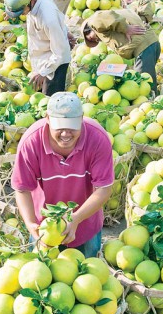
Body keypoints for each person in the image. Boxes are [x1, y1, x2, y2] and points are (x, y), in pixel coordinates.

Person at [11, 92, 114, 258]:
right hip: (45, 226)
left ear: (81, 119)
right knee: (42, 275)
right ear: (47, 118)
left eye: (72, 126)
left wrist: (76, 219)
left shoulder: (98, 139)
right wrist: (31, 224)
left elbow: (104, 188)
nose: (66, 134)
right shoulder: (31, 142)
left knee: (87, 276)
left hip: (86, 224)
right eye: (60, 126)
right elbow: (22, 189)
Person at [4, 0, 72, 96]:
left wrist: (43, 72)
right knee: (38, 99)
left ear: (30, 2)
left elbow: (60, 52)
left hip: (54, 64)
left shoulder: (48, 18)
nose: (22, 15)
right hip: (42, 58)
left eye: (22, 11)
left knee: (49, 100)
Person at [82, 9, 160, 91]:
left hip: (144, 48)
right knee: (147, 79)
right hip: (151, 44)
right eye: (94, 41)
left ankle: (150, 102)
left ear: (89, 29)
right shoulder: (112, 24)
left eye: (91, 38)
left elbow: (102, 17)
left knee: (143, 86)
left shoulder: (94, 21)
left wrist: (126, 28)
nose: (95, 40)